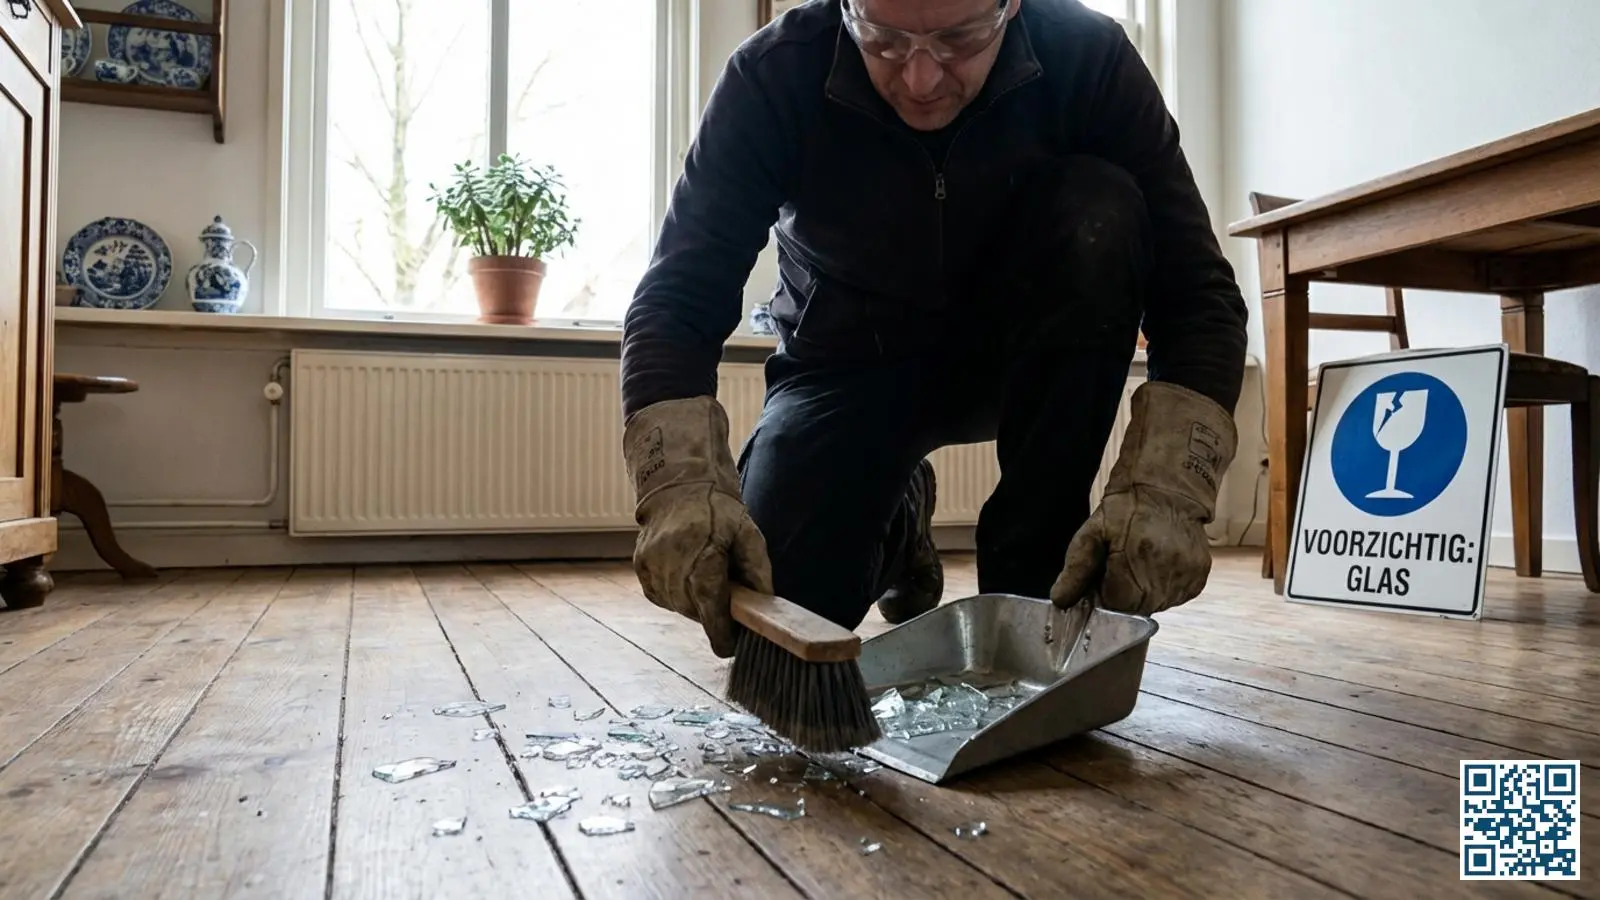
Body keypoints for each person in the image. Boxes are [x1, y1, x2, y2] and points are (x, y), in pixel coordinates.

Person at [619, 0, 1249, 658]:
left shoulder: (1089, 58)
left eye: (961, 38)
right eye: (883, 40)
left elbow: (1198, 294)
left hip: (1028, 359)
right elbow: (679, 295)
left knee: (1101, 213)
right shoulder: (773, 75)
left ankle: (1032, 570)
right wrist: (678, 486)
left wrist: (1171, 489)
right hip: (845, 367)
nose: (920, 80)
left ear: (1011, 7)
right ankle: (900, 523)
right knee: (777, 603)